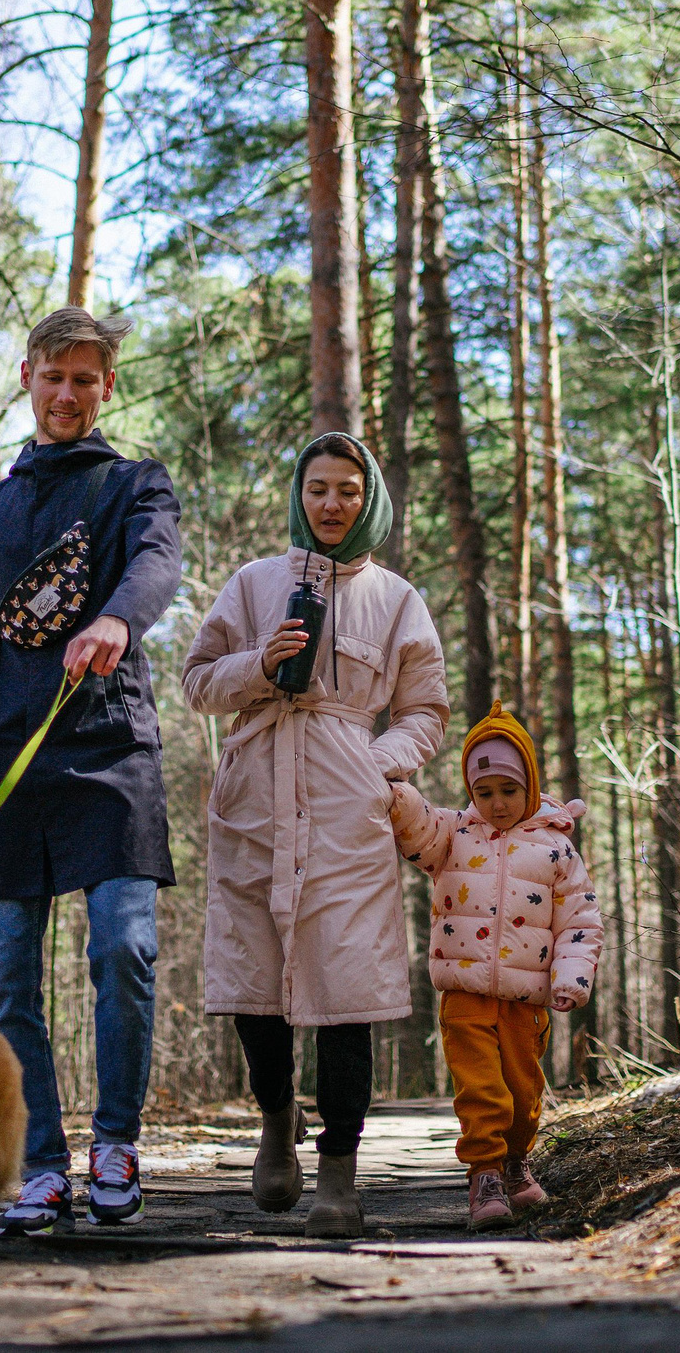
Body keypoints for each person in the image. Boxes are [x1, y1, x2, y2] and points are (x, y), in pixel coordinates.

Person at [0, 308, 182, 1233]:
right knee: (4, 985)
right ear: (27, 376)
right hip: (3, 767)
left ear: (106, 386)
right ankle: (39, 1163)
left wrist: (117, 618)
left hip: (110, 751)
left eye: (86, 379)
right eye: (54, 376)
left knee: (122, 947)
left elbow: (158, 564)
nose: (68, 393)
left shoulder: (133, 485)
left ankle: (115, 1138)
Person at [182, 432, 448, 1238]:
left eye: (348, 490)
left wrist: (378, 766)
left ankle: (339, 1168)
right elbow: (197, 682)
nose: (331, 503)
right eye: (319, 488)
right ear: (300, 494)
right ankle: (274, 1121)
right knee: (252, 973)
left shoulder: (398, 598)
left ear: (369, 500)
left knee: (346, 988)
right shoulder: (254, 582)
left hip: (346, 803)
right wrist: (261, 664)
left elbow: (425, 710)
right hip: (256, 792)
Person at [387, 704, 601, 1231]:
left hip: (526, 998)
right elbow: (417, 827)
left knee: (523, 1092)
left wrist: (571, 977)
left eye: (508, 790)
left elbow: (580, 921)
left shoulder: (556, 848)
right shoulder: (456, 833)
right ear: (470, 791)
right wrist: (394, 794)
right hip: (464, 990)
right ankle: (483, 1174)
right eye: (484, 792)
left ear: (529, 783)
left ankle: (514, 1163)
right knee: (481, 1087)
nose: (497, 803)